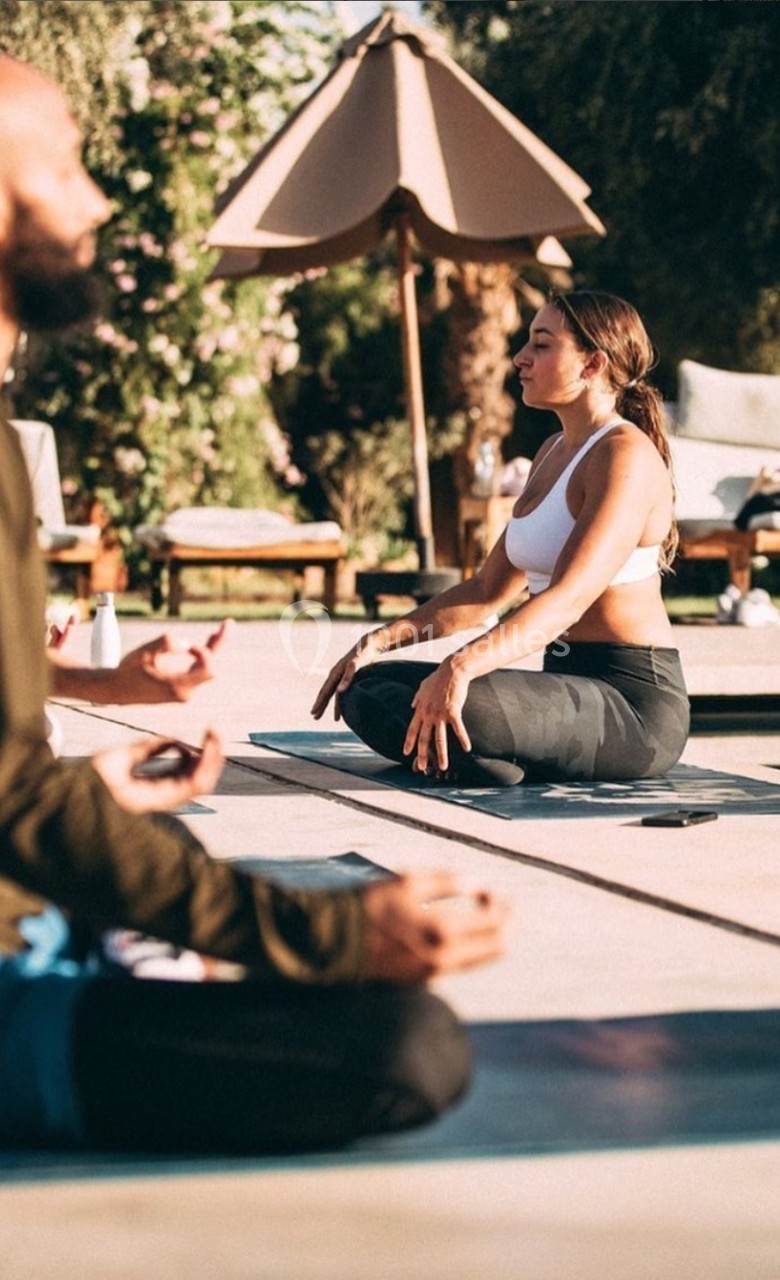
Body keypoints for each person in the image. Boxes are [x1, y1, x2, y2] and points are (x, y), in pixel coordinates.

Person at [0, 53, 507, 1154]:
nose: (95, 201)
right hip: (14, 974)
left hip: (37, 913)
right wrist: (324, 930)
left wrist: (100, 715)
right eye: (66, 167)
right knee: (406, 1048)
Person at [313, 291, 690, 787]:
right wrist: (378, 640)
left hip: (632, 705)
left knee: (469, 709)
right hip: (565, 683)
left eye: (542, 344)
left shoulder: (625, 457)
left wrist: (462, 664)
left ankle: (493, 753)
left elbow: (567, 601)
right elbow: (484, 592)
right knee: (366, 687)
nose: (521, 358)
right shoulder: (553, 451)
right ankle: (497, 758)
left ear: (592, 363)